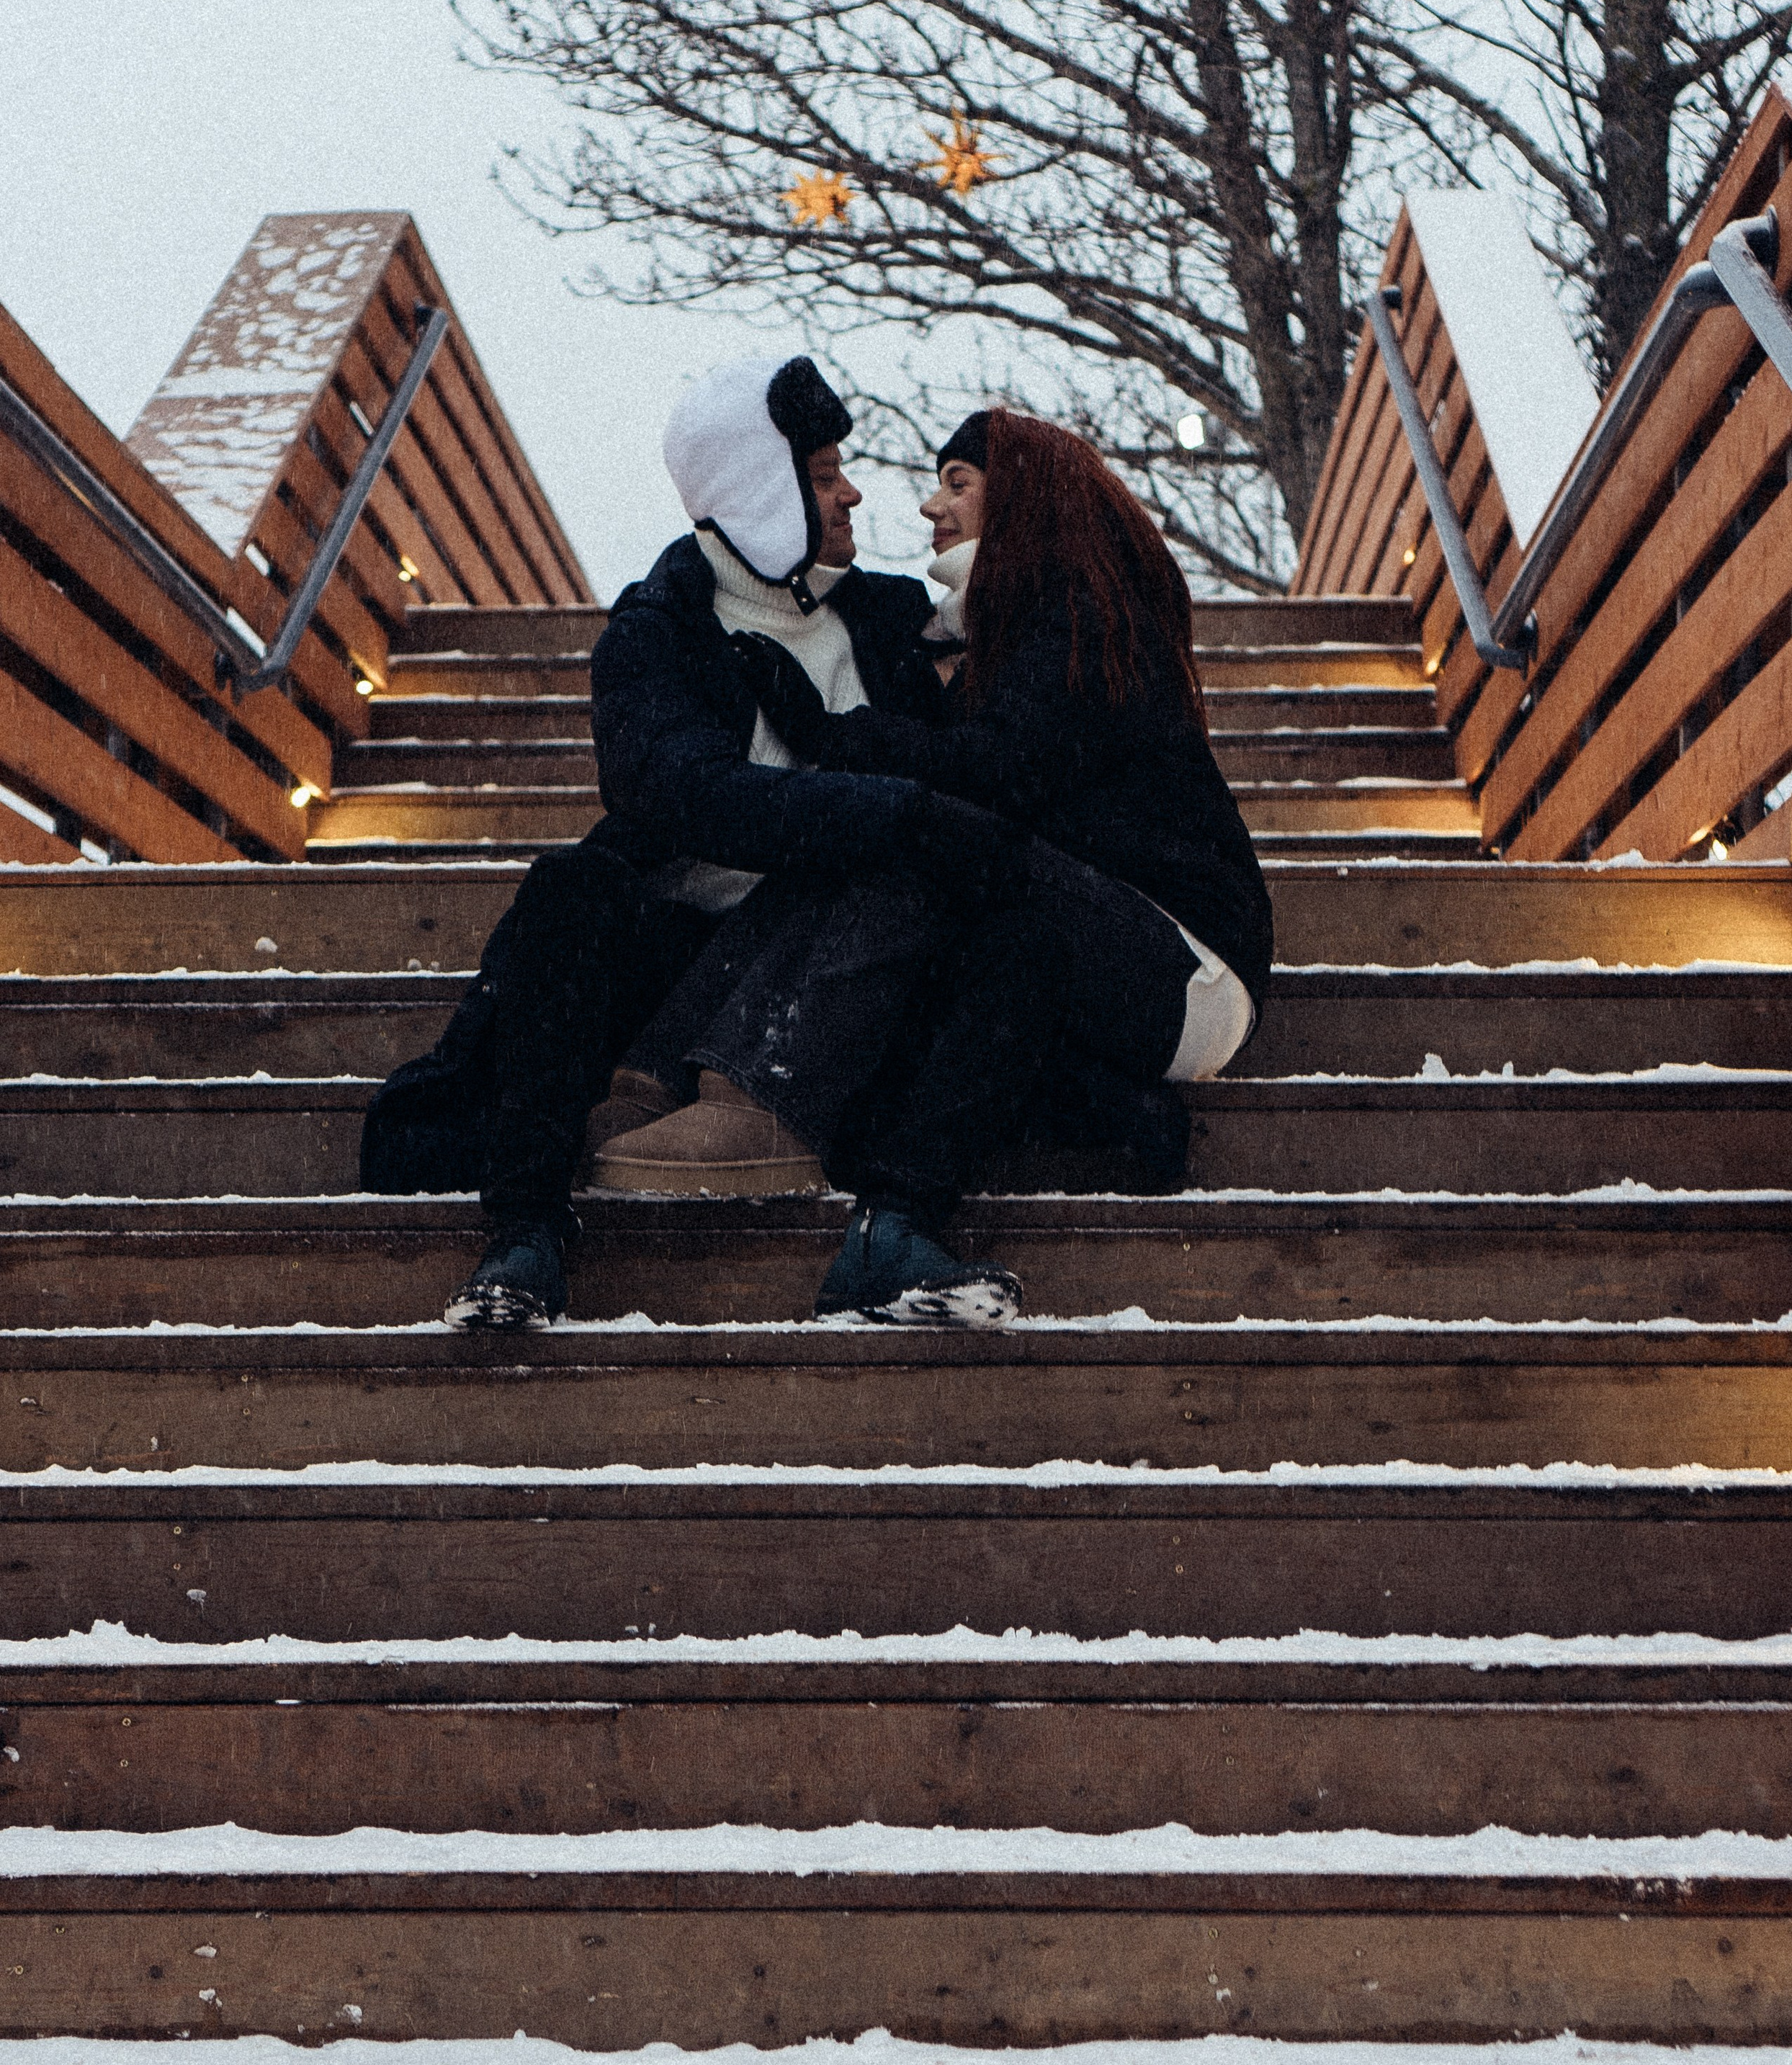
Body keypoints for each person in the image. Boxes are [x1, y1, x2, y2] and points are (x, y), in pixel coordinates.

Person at [360, 349, 1018, 1330]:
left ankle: (890, 1219)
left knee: (962, 901)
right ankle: (527, 1231)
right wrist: (892, 811)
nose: (852, 495)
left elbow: (1017, 694)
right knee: (571, 886)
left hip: (844, 969)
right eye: (823, 476)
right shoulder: (657, 629)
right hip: (678, 961)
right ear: (761, 491)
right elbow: (682, 793)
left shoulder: (890, 619)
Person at [593, 406, 1273, 1325]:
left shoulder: (1077, 612)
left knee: (902, 830)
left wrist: (833, 734)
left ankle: (757, 1099)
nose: (929, 506)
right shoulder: (998, 630)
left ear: (1023, 494)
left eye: (958, 483)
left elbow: (999, 771)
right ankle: (688, 1098)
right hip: (1086, 954)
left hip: (1182, 959)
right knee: (887, 857)